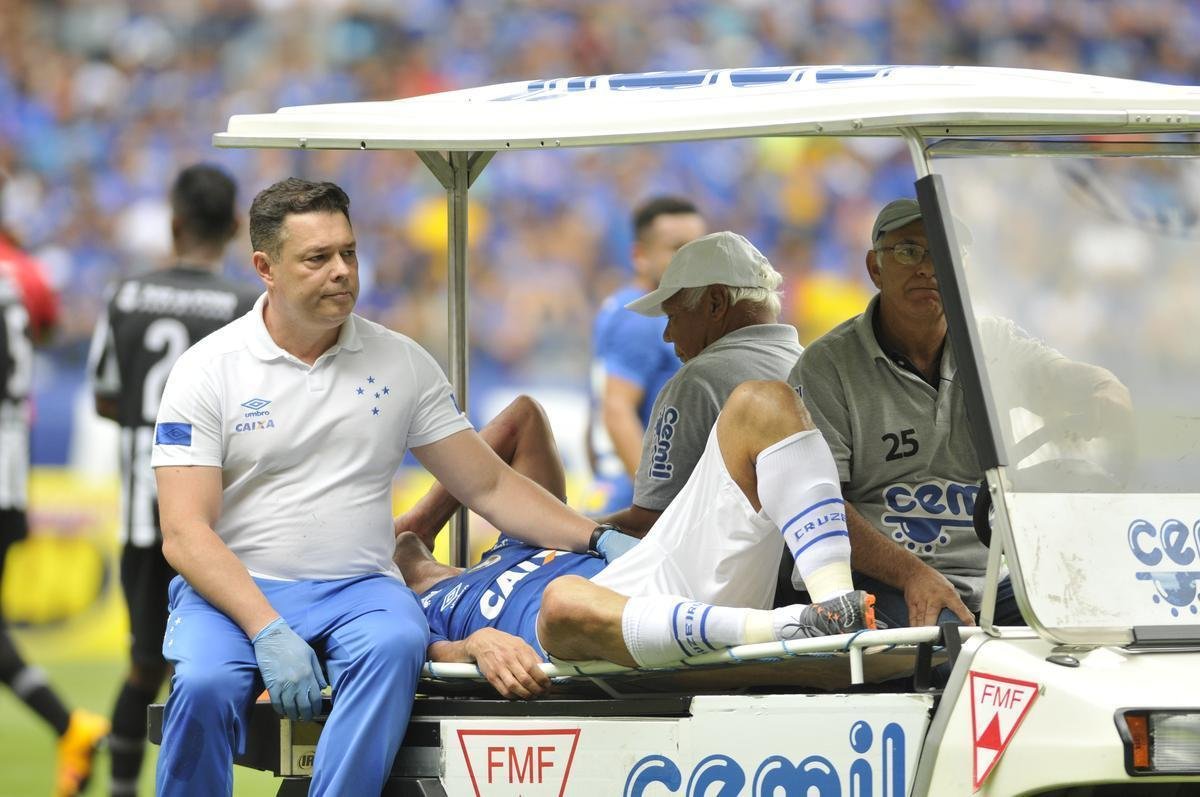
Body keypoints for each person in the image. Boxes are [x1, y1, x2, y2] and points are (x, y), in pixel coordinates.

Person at [150, 177, 619, 796]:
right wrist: (266, 627)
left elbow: (490, 485)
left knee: (397, 640)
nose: (341, 271)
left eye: (349, 252)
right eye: (317, 258)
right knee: (205, 687)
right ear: (265, 267)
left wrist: (598, 536)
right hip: (235, 592)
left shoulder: (400, 362)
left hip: (360, 590)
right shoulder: (206, 370)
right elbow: (185, 534)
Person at [396, 385, 875, 699]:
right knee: (561, 600)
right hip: (594, 643)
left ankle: (836, 613)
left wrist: (423, 518)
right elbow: (416, 657)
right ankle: (792, 629)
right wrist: (473, 645)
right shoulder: (406, 610)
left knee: (760, 403)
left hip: (652, 574)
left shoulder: (512, 538)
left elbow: (522, 418)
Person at [790, 199, 1131, 629]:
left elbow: (1065, 378)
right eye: (909, 251)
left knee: (1095, 627)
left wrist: (1104, 390)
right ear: (875, 268)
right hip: (884, 580)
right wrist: (913, 574)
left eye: (944, 255)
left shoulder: (993, 343)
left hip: (994, 577)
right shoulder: (828, 367)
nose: (928, 269)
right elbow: (821, 510)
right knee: (954, 656)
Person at [87, 163, 259, 797]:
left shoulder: (126, 294)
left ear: (174, 222)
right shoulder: (246, 306)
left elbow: (105, 397)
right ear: (237, 226)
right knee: (231, 661)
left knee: (142, 667)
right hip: (220, 520)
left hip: (144, 511)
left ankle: (123, 789)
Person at [0, 253, 109, 795]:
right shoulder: (21, 273)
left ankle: (71, 727)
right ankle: (71, 727)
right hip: (11, 471)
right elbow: (45, 325)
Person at [587, 197, 706, 513]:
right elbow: (616, 410)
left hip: (611, 487)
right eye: (677, 248)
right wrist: (657, 506)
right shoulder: (645, 318)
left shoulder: (621, 306)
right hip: (632, 501)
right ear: (640, 255)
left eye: (700, 247)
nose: (691, 259)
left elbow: (599, 412)